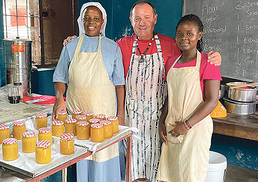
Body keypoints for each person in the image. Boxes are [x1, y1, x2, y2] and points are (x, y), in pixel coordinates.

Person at [63, 1, 222, 181]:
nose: (142, 23)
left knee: (159, 169)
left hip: (159, 120)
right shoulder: (120, 45)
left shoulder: (171, 44)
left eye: (147, 17)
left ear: (155, 19)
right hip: (132, 118)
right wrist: (75, 41)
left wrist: (214, 56)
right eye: (137, 18)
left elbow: (192, 53)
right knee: (132, 166)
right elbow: (97, 46)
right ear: (131, 21)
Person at [52, 2, 125, 182]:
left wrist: (120, 114)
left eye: (96, 19)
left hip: (104, 115)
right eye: (87, 19)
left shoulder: (113, 47)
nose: (91, 22)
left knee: (104, 156)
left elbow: (119, 85)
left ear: (102, 22)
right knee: (81, 156)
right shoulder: (70, 46)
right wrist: (59, 99)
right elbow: (60, 78)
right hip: (77, 116)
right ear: (81, 21)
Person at [156, 14, 221, 182]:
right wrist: (162, 122)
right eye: (179, 33)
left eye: (189, 33)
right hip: (172, 127)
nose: (184, 38)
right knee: (169, 175)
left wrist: (186, 125)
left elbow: (212, 100)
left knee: (190, 175)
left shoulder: (208, 62)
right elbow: (171, 95)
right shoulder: (171, 62)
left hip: (195, 130)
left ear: (199, 35)